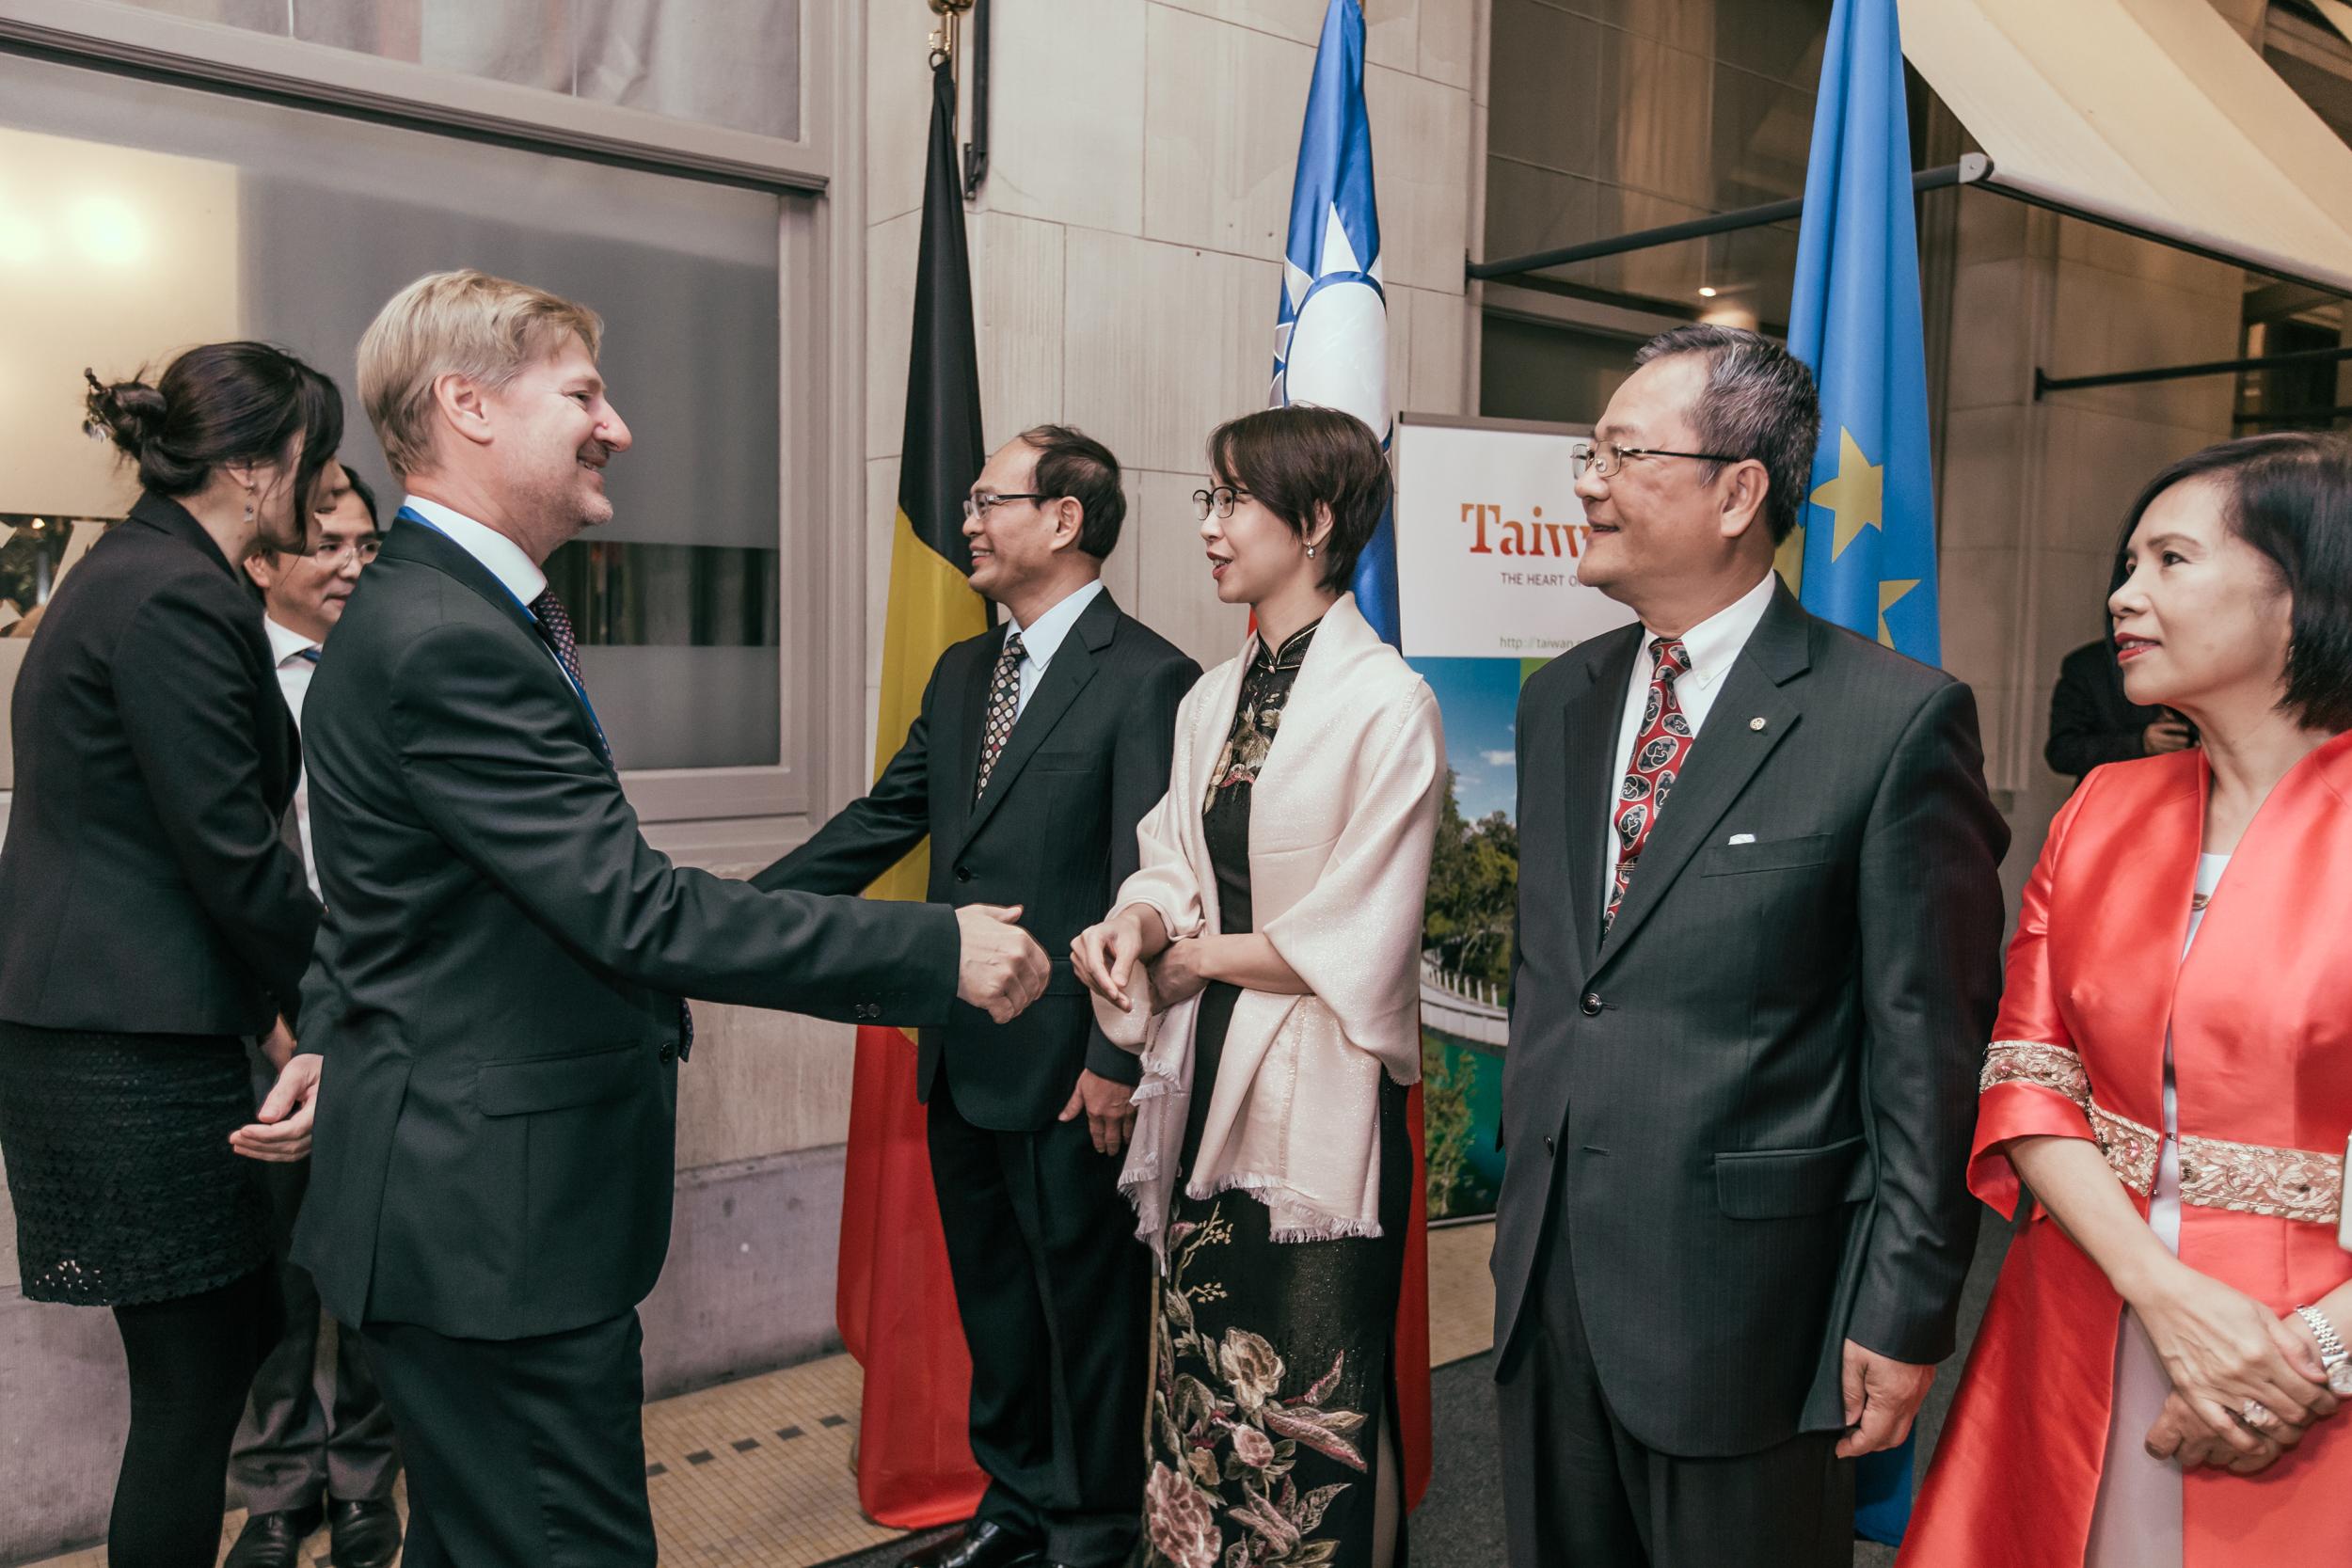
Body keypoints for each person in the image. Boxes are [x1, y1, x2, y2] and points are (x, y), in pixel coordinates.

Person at [289, 269, 1050, 1565]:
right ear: (469, 405)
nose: (619, 426)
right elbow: (630, 907)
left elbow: (400, 893)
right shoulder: (447, 633)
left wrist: (339, 1028)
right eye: (583, 394)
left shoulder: (444, 607)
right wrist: (941, 944)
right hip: (494, 1229)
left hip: (474, 1208)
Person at [1490, 324, 2010, 1568]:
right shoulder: (1561, 697)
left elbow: (1926, 1053)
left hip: (1748, 1313)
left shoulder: (1890, 720)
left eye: (1622, 453)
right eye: (1588, 452)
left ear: (1736, 492)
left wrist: (1904, 1307)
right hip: (1548, 1281)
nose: (1587, 482)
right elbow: (1565, 984)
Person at [1901, 432, 2352, 1568]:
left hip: (2299, 1358)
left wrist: (2309, 1357)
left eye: (2170, 560)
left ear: (2302, 590)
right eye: (2127, 561)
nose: (2122, 593)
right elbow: (2026, 1072)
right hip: (2082, 1308)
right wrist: (2163, 1294)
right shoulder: (2104, 804)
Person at [757, 425, 1197, 1568]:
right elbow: (881, 821)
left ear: (1063, 517)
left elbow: (1148, 881)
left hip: (1072, 1069)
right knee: (995, 1304)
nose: (966, 522)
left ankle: (1093, 1529)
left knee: (1086, 1315)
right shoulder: (963, 671)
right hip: (960, 1052)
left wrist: (1115, 1059)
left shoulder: (1149, 677)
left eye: (987, 500)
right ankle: (1014, 1507)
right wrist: (727, 920)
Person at [1073, 404, 1444, 1568]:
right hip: (1206, 1070)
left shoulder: (1389, 702)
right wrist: (1137, 923)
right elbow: (1174, 862)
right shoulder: (1211, 696)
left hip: (1320, 1092)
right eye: (1211, 498)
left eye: (1232, 500)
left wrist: (1196, 959)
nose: (1209, 526)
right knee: (1199, 1360)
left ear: (1316, 519)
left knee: (1313, 1388)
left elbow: (1366, 929)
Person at [0, 344, 340, 1568]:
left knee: (216, 1352)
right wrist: (336, 995)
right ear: (253, 468)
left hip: (113, 1027)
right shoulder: (175, 593)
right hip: (128, 1046)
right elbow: (231, 846)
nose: (323, 493)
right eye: (311, 462)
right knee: (193, 1388)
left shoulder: (131, 570)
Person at [224, 462, 400, 1568]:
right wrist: (276, 1015)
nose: (351, 563)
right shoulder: (230, 672)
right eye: (326, 543)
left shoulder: (393, 662)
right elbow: (213, 861)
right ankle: (278, 1487)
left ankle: (366, 1475)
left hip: (380, 997)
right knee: (278, 1267)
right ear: (260, 560)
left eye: (366, 545)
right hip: (268, 1008)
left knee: (377, 1255)